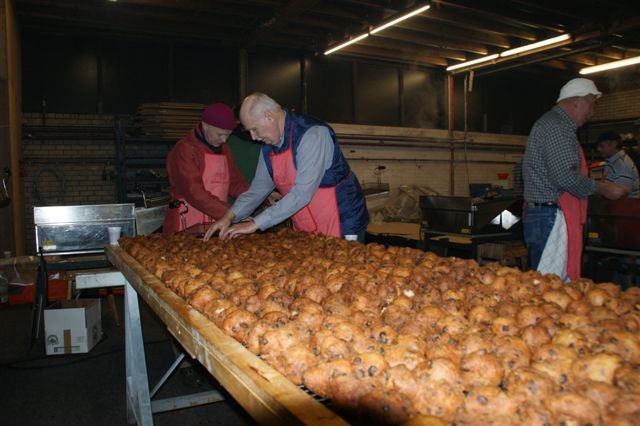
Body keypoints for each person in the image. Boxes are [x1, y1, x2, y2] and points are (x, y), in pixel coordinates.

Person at [204, 92, 369, 242]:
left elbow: (302, 193)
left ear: (269, 116)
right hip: (307, 224)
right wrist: (229, 216)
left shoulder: (312, 134)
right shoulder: (269, 146)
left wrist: (256, 223)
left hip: (342, 221)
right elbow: (257, 190)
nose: (254, 137)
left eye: (254, 129)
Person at [522, 78, 628, 281]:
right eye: (591, 104)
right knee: (550, 283)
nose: (591, 112)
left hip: (546, 214)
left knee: (550, 281)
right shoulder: (557, 127)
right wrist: (603, 189)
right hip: (550, 216)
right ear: (577, 101)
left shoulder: (556, 125)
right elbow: (564, 176)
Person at [163, 103, 250, 236]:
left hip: (217, 219)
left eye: (228, 135)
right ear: (205, 125)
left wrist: (260, 196)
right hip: (187, 223)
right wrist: (233, 214)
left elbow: (235, 183)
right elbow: (194, 193)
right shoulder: (185, 149)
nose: (224, 139)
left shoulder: (224, 149)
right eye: (220, 134)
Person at [596, 131, 639, 198]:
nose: (598, 149)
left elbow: (621, 195)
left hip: (625, 206)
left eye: (602, 146)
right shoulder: (612, 161)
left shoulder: (622, 166)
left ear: (613, 144)